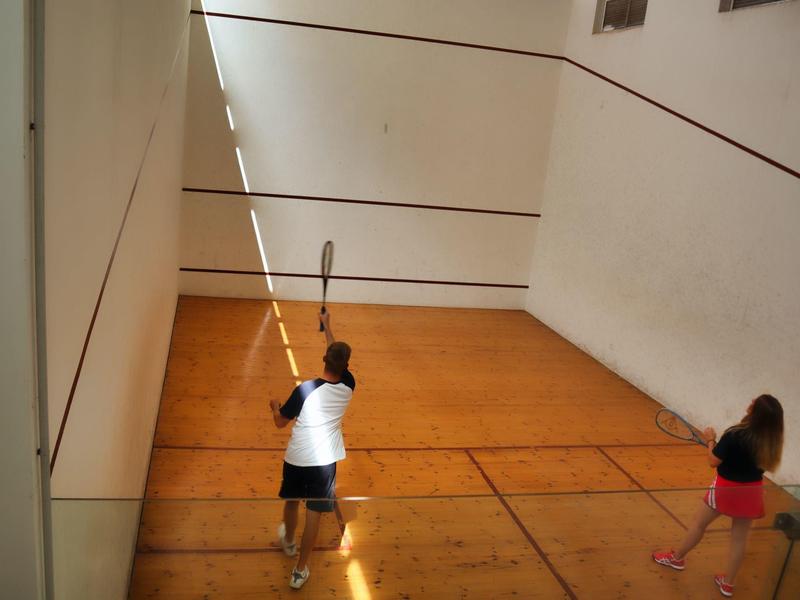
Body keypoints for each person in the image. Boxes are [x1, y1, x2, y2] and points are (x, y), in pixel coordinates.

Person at [652, 394, 784, 597]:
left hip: (726, 489)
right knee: (739, 540)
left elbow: (713, 461)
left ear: (755, 412)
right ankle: (728, 584)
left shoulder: (734, 434)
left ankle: (677, 558)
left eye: (754, 402)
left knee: (698, 525)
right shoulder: (771, 441)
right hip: (752, 491)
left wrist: (710, 440)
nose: (750, 402)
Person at [269, 309, 354, 590]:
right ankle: (299, 570)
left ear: (323, 359)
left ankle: (289, 542)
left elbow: (280, 422)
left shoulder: (304, 390)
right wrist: (327, 325)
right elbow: (336, 355)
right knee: (314, 514)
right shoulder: (349, 385)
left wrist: (274, 407)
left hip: (296, 458)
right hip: (324, 463)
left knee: (292, 501)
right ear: (346, 366)